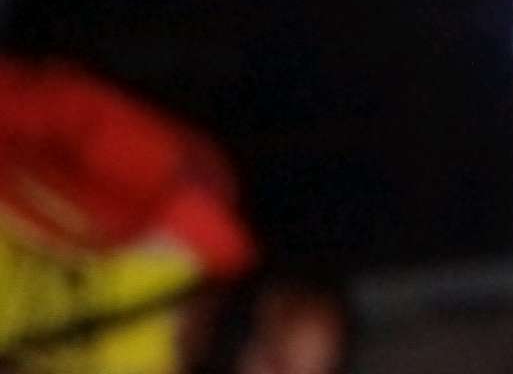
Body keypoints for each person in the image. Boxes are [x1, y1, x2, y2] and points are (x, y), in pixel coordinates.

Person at [0, 58, 347, 374]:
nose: (266, 353)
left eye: (281, 367)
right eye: (288, 316)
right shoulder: (188, 200)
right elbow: (54, 109)